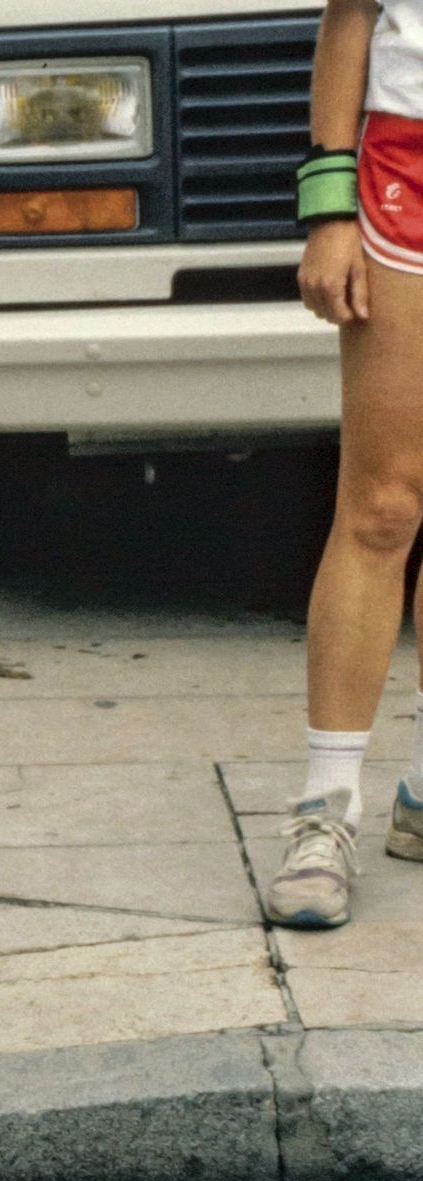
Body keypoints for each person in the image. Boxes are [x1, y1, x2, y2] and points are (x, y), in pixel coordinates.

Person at [262, 0, 423, 928]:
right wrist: (328, 211)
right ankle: (325, 812)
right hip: (407, 168)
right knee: (383, 506)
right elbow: (352, 14)